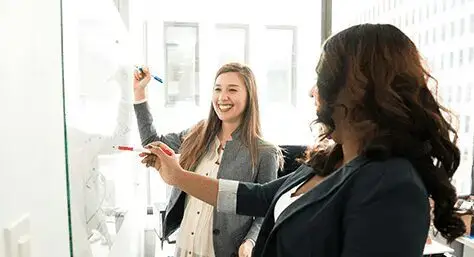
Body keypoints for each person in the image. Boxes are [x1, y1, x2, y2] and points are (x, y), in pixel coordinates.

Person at [142, 24, 466, 257]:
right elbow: (259, 196)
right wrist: (178, 177)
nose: (313, 91)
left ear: (355, 88)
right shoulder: (329, 158)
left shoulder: (392, 184)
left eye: (320, 79)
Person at [133, 62, 282, 257]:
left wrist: (250, 241)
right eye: (218, 89)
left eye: (232, 90)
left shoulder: (264, 152)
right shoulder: (198, 134)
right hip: (184, 248)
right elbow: (152, 142)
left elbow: (266, 210)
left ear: (249, 96)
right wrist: (139, 92)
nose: (222, 97)